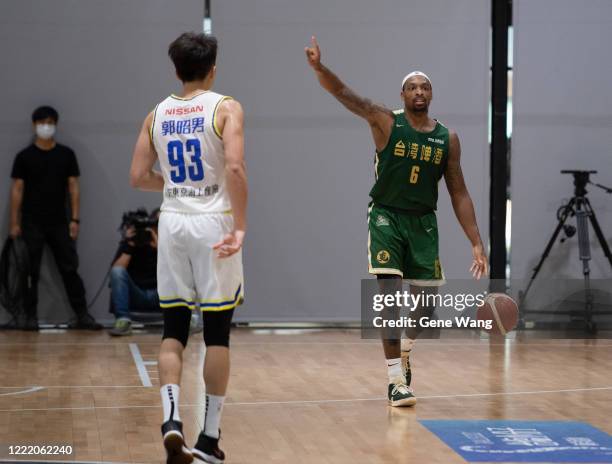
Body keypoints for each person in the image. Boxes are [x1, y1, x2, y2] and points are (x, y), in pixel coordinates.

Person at [305, 37, 488, 407]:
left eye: (425, 86)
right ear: (402, 94)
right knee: (388, 297)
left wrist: (476, 241)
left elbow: (459, 192)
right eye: (412, 86)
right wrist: (321, 69)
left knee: (425, 307)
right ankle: (393, 380)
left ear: (431, 94)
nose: (419, 90)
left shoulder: (447, 138)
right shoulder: (385, 120)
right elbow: (344, 93)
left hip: (423, 223)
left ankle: (404, 350)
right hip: (386, 216)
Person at [130, 32, 247, 464]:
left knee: (173, 331)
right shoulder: (226, 107)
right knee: (217, 332)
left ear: (175, 70)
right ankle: (209, 439)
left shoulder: (156, 113)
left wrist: (175, 184)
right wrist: (242, 226)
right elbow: (234, 166)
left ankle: (172, 422)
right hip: (213, 222)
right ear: (212, 68)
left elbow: (139, 175)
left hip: (174, 221)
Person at [9, 105, 102, 331]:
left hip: (59, 221)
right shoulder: (24, 157)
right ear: (34, 125)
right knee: (29, 271)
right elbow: (17, 190)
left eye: (50, 122)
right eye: (42, 123)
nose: (46, 127)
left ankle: (82, 315)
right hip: (31, 222)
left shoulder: (66, 155)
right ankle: (28, 317)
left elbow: (74, 188)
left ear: (55, 125)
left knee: (69, 268)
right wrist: (14, 223)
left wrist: (75, 220)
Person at [108, 209, 160, 336]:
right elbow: (116, 272)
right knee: (117, 271)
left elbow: (174, 270)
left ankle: (186, 319)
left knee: (180, 272)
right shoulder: (130, 243)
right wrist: (130, 244)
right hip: (136, 295)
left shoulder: (168, 244)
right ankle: (123, 321)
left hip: (160, 296)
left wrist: (159, 246)